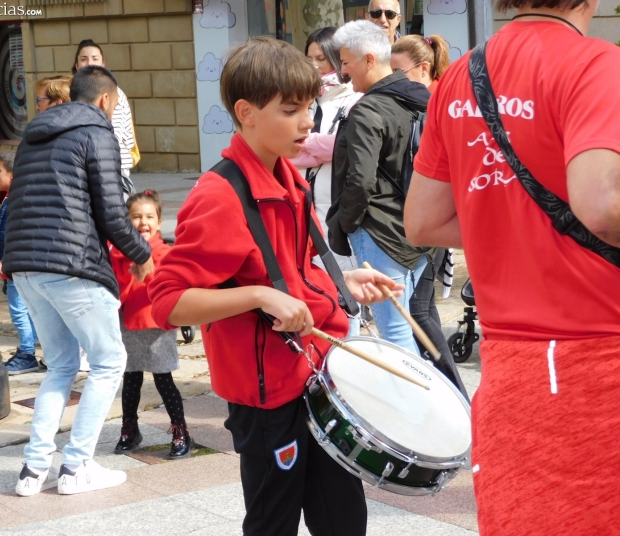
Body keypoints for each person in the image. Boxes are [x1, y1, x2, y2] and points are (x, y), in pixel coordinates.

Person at [149, 36, 403, 536]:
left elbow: (287, 270)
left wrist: (342, 279)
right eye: (291, 110)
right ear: (246, 113)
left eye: (309, 107)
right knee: (273, 523)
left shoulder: (291, 177)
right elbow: (168, 303)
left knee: (344, 517)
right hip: (266, 400)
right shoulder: (220, 196)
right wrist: (259, 297)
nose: (308, 121)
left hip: (317, 376)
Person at [404, 0, 620, 531]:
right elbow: (602, 205)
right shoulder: (596, 63)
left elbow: (423, 222)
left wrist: (512, 226)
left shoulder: (460, 75)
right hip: (598, 358)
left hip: (507, 366)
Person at [3, 65, 154, 497]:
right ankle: (76, 466)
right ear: (106, 100)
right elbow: (111, 212)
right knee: (109, 362)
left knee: (62, 366)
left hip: (27, 266)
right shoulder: (97, 132)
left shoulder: (34, 132)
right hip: (72, 264)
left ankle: (33, 471)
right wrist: (142, 255)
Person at [326, 20, 431, 356]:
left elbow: (360, 180)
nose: (342, 72)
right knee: (407, 326)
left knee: (396, 334)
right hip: (421, 230)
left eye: (346, 62)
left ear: (369, 60)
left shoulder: (370, 109)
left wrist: (345, 223)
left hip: (381, 233)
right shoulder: (421, 100)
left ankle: (416, 407)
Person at [390, 33, 467, 398]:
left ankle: (455, 397)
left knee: (419, 309)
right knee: (423, 308)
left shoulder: (435, 103)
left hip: (429, 222)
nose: (391, 77)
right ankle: (446, 395)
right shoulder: (426, 99)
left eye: (397, 70)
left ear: (423, 68)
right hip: (430, 221)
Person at [110, 190, 192, 458]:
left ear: (158, 222)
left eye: (149, 216)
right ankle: (129, 429)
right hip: (128, 324)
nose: (143, 222)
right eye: (136, 217)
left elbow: (170, 286)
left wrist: (147, 275)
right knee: (130, 379)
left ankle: (180, 431)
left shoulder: (165, 252)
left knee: (163, 380)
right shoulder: (118, 254)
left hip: (155, 325)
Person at [290, 26, 361, 274]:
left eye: (321, 59)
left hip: (336, 208)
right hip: (299, 204)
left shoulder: (354, 99)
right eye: (309, 59)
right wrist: (323, 146)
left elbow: (348, 145)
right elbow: (287, 149)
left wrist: (306, 142)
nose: (314, 66)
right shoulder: (303, 100)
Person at [0, 76, 72, 218]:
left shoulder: (77, 137)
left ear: (57, 103)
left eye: (40, 101)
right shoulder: (37, 134)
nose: (37, 107)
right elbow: (24, 174)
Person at [0, 151, 42, 375]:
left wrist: (6, 261)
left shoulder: (16, 202)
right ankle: (34, 347)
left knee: (19, 311)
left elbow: (15, 235)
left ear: (12, 175)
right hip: (16, 265)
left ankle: (26, 353)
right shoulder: (16, 197)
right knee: (29, 310)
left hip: (14, 266)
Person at [72, 39, 137, 197]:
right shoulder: (71, 90)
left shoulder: (115, 92)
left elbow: (120, 135)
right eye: (84, 59)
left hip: (112, 168)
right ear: (76, 65)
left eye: (95, 59)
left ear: (103, 63)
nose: (90, 63)